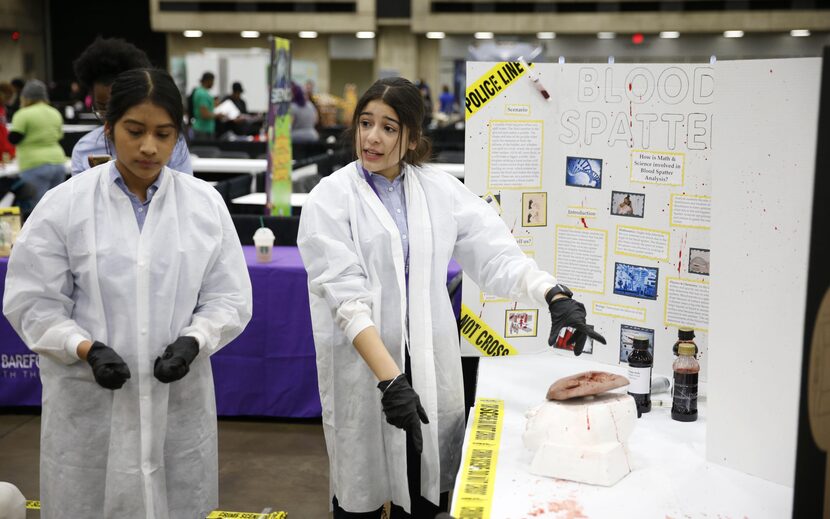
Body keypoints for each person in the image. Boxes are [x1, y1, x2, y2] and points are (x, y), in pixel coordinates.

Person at [297, 77, 605, 518]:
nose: (372, 137)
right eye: (365, 123)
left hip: (427, 364)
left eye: (389, 127)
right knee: (360, 492)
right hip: (367, 366)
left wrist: (552, 295)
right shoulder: (331, 197)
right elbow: (345, 298)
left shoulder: (438, 191)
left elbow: (495, 253)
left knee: (425, 493)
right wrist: (389, 379)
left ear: (412, 137)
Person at [3, 68, 253, 518]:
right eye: (134, 131)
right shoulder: (65, 205)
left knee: (175, 499)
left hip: (177, 403)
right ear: (108, 129)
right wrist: (83, 347)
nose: (149, 147)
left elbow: (228, 297)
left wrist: (195, 339)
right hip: (88, 406)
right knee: (89, 501)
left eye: (164, 134)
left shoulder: (203, 205)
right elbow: (32, 301)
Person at [71, 37, 192, 175]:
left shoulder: (173, 146)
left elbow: (185, 189)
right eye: (102, 108)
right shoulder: (85, 148)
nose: (149, 148)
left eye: (162, 134)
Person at [7, 80, 66, 215]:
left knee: (36, 211)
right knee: (55, 207)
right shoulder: (54, 112)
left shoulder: (23, 114)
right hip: (58, 163)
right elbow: (59, 135)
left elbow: (14, 138)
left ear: (25, 97)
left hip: (34, 164)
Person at [191, 71, 221, 140]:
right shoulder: (202, 94)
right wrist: (218, 115)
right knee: (204, 150)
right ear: (208, 81)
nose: (213, 83)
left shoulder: (202, 92)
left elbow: (208, 107)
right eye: (213, 81)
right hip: (203, 130)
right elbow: (204, 114)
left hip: (205, 129)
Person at [0, 82, 16, 160]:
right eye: (8, 97)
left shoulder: (2, 109)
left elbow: (3, 131)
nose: (9, 100)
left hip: (5, 151)